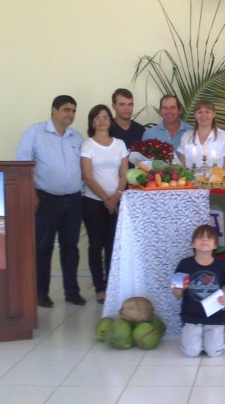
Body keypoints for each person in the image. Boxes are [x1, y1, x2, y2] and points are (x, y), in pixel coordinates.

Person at [15, 95, 85, 308]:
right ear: (53, 111)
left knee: (70, 248)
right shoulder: (35, 133)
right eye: (66, 109)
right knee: (43, 247)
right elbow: (23, 167)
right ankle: (40, 293)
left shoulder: (76, 137)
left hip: (73, 200)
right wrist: (33, 195)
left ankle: (72, 292)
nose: (70, 114)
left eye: (73, 110)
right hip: (45, 200)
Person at [80, 104, 128, 305]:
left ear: (111, 121)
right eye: (98, 117)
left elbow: (124, 174)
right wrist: (106, 200)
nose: (102, 121)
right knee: (96, 244)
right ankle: (99, 287)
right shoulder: (87, 145)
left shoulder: (119, 144)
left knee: (112, 245)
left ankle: (111, 284)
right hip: (93, 202)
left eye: (106, 117)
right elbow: (87, 177)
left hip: (117, 201)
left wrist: (116, 196)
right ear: (92, 122)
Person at [172, 224, 225, 357]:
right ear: (192, 244)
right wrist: (177, 288)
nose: (204, 240)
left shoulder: (222, 265)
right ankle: (196, 338)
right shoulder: (184, 264)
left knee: (214, 352)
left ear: (215, 245)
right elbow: (177, 295)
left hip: (215, 317)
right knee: (191, 353)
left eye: (209, 238)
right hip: (191, 316)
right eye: (200, 237)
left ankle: (212, 337)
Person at [177, 99, 225, 172]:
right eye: (200, 112)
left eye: (207, 112)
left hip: (216, 182)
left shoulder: (224, 136)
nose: (203, 115)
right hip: (191, 182)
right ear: (195, 114)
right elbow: (181, 164)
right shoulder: (186, 136)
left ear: (214, 114)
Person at [143, 95, 193, 164]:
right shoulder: (149, 135)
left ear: (180, 110)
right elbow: (144, 164)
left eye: (173, 108)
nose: (169, 111)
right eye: (165, 108)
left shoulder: (191, 132)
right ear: (160, 111)